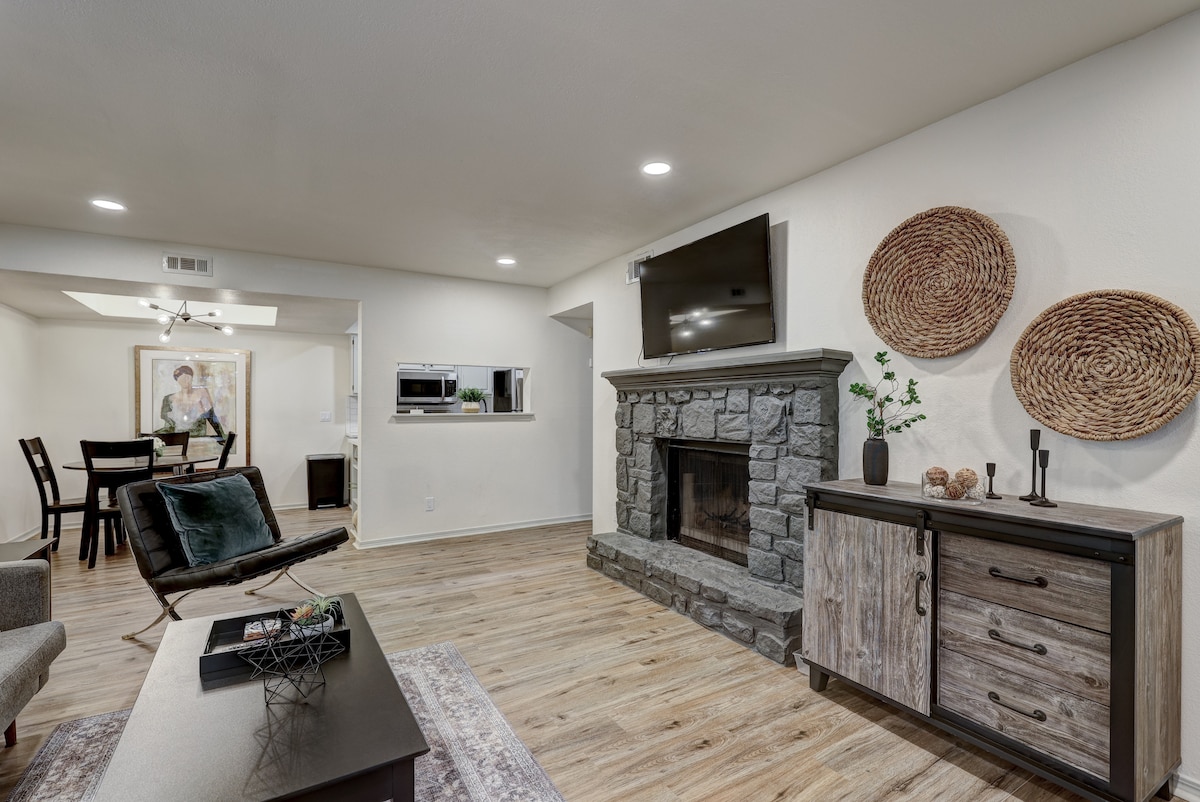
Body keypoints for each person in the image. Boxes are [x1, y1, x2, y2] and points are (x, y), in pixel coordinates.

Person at [158, 365, 225, 438]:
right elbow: (168, 423)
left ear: (192, 378)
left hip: (197, 438)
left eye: (187, 377)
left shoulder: (201, 394)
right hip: (176, 438)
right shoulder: (169, 398)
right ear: (177, 380)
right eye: (182, 378)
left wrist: (221, 436)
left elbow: (212, 417)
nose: (185, 380)